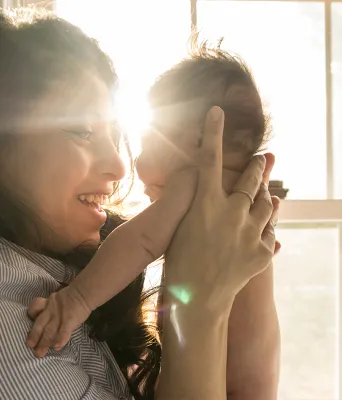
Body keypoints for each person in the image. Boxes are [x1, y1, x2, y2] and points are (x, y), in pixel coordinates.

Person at [0, 8, 278, 400]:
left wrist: (77, 299)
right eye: (83, 130)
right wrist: (198, 308)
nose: (119, 165)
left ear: (202, 141)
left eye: (125, 138)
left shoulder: (197, 190)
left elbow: (138, 242)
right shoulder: (11, 325)